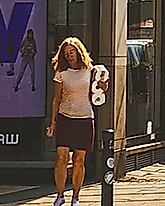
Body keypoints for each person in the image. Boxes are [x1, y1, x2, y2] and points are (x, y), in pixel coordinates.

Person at [47, 37, 105, 206]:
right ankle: (60, 195)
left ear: (79, 52)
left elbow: (101, 90)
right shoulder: (61, 73)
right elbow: (56, 99)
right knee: (61, 158)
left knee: (79, 160)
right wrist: (52, 123)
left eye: (72, 52)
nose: (70, 56)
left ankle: (76, 197)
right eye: (66, 54)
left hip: (85, 118)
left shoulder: (91, 70)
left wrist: (103, 85)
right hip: (65, 117)